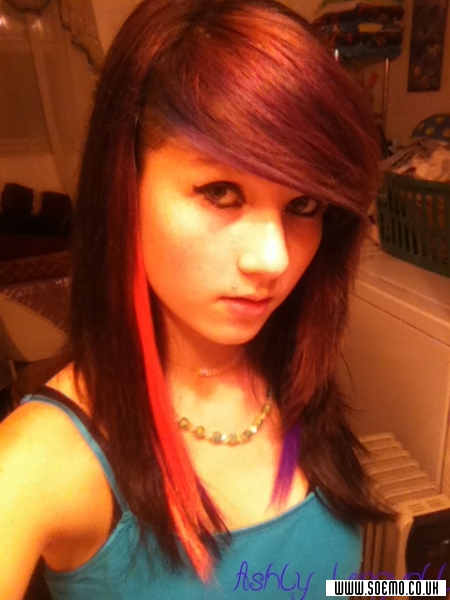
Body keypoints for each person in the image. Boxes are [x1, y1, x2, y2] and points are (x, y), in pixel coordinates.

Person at [0, 0, 386, 598]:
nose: (273, 259)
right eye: (221, 191)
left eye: (303, 205)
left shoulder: (290, 372)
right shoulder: (39, 460)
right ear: (126, 183)